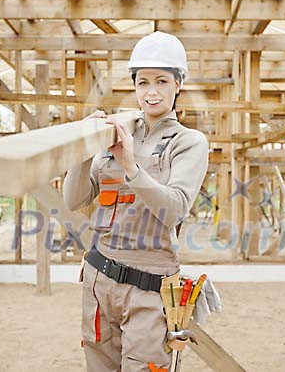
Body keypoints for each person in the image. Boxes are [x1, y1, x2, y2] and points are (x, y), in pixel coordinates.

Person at [63, 31, 209, 372]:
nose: (152, 91)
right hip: (99, 280)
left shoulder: (188, 142)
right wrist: (83, 151)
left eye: (161, 81)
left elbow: (174, 208)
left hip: (148, 287)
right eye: (143, 82)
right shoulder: (115, 132)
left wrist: (130, 164)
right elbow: (73, 199)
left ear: (178, 84)